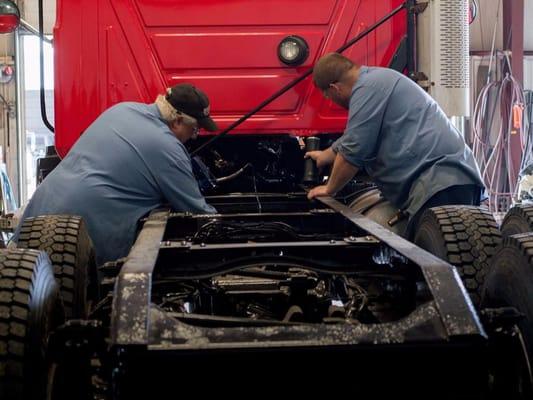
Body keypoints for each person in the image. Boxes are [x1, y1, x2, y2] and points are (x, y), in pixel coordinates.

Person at [14, 83, 218, 264]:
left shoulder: (122, 110)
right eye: (194, 130)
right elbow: (198, 212)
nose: (193, 137)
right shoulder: (168, 148)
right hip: (70, 238)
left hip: (40, 211)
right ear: (177, 121)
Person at [306, 53, 485, 237]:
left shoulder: (367, 90)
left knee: (444, 257)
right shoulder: (375, 81)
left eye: (328, 96)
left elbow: (353, 151)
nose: (331, 101)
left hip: (439, 183)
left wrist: (329, 189)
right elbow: (353, 137)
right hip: (449, 179)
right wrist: (324, 155)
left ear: (335, 89)